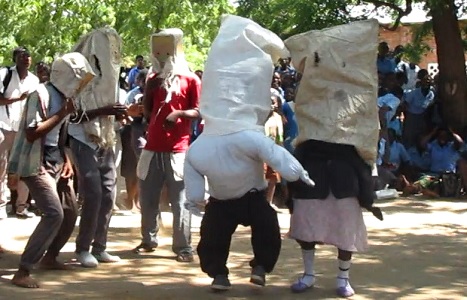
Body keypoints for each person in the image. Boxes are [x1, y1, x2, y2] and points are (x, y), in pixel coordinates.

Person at [184, 15, 314, 292]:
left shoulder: (202, 147)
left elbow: (194, 183)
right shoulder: (249, 137)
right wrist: (297, 173)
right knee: (249, 230)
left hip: (236, 199)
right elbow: (280, 159)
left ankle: (244, 270)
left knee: (226, 234)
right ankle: (241, 270)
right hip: (235, 200)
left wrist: (195, 199)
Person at [284, 19, 383, 298]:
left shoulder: (357, 89)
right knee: (306, 227)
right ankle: (308, 274)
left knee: (345, 228)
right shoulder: (311, 91)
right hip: (312, 167)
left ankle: (343, 278)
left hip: (344, 171)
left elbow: (365, 133)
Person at [8, 52, 94, 288]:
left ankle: (50, 256)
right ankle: (23, 270)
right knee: (54, 213)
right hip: (36, 162)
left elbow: (61, 135)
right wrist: (62, 113)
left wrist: (67, 157)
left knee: (69, 211)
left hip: (56, 160)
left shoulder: (65, 97)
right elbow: (32, 132)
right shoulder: (41, 94)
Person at [134, 28, 199, 263]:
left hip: (178, 149)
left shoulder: (191, 79)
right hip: (153, 147)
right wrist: (149, 93)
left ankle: (183, 247)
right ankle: (148, 240)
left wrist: (179, 113)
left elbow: (199, 110)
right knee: (148, 197)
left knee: (180, 201)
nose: (162, 57)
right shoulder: (152, 79)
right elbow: (148, 114)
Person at [0, 47, 39, 219]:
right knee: (1, 167)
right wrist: (18, 99)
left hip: (23, 129)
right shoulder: (5, 74)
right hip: (4, 126)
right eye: (22, 56)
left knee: (23, 168)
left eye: (28, 56)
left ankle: (21, 206)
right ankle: (1, 205)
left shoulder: (34, 80)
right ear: (15, 58)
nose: (26, 58)